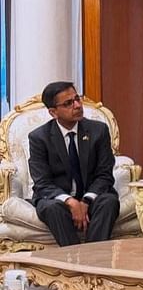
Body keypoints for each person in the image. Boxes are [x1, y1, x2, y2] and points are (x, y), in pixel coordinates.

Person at [29, 82, 120, 247]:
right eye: (68, 103)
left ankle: (94, 261)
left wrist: (85, 201)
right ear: (53, 112)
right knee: (52, 208)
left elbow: (105, 175)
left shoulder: (98, 130)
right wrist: (71, 202)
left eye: (77, 99)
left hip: (91, 197)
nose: (77, 105)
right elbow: (42, 183)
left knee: (109, 202)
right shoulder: (39, 138)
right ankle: (73, 259)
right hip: (57, 200)